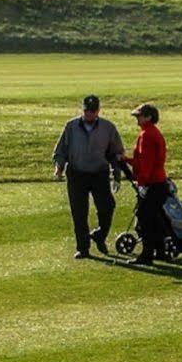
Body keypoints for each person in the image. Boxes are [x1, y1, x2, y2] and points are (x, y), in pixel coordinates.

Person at [53, 94, 126, 259]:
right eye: (87, 111)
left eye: (93, 111)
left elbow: (116, 153)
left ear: (98, 110)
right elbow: (61, 150)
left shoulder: (108, 128)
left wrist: (117, 174)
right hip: (76, 174)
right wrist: (59, 167)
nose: (90, 114)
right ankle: (83, 248)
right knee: (79, 212)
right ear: (82, 110)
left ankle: (100, 234)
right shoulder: (71, 126)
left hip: (99, 173)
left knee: (107, 207)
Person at [128, 102, 170, 265]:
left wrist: (142, 183)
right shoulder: (152, 133)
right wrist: (126, 160)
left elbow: (146, 163)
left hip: (152, 183)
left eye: (139, 116)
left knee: (145, 218)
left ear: (148, 117)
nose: (137, 119)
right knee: (154, 218)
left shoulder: (146, 135)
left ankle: (147, 255)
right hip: (159, 182)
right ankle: (160, 252)